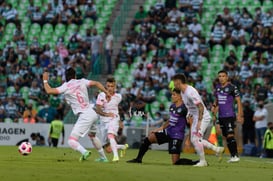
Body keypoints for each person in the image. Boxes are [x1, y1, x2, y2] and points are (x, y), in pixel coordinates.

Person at [43, 67, 111, 162]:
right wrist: (107, 92)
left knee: (71, 141)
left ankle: (84, 152)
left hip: (85, 115)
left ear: (65, 77)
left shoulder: (65, 86)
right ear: (75, 76)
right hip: (93, 111)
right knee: (92, 136)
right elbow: (97, 83)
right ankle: (103, 158)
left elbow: (49, 91)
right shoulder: (82, 81)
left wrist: (45, 80)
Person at [127, 88, 198, 165]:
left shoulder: (185, 108)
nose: (172, 96)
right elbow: (170, 120)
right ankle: (138, 159)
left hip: (177, 136)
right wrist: (160, 128)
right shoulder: (172, 106)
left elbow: (192, 123)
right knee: (149, 138)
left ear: (180, 96)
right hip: (168, 132)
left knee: (176, 162)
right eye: (172, 94)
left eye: (174, 94)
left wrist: (188, 139)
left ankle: (196, 162)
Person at [172, 74, 225, 167]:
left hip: (203, 116)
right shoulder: (183, 92)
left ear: (178, 82)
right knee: (194, 139)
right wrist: (189, 114)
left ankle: (203, 161)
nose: (173, 85)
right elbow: (190, 106)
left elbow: (200, 106)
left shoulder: (190, 92)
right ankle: (217, 149)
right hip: (196, 116)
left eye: (174, 83)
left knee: (196, 139)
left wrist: (200, 121)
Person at [93, 77, 128, 162]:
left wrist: (119, 121)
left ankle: (116, 157)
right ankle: (122, 147)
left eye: (112, 86)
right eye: (108, 86)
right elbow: (98, 109)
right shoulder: (101, 95)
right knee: (107, 149)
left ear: (115, 86)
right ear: (106, 86)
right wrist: (105, 113)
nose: (110, 88)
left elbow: (118, 108)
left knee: (110, 135)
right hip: (103, 121)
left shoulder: (118, 96)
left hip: (113, 119)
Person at [212, 70, 244, 163]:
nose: (221, 78)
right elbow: (217, 101)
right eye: (220, 76)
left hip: (229, 115)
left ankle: (236, 156)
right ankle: (233, 156)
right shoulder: (217, 88)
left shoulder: (232, 87)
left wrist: (239, 114)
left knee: (230, 135)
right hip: (221, 116)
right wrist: (214, 108)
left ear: (227, 77)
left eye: (223, 76)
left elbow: (238, 101)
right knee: (226, 136)